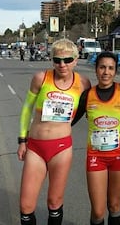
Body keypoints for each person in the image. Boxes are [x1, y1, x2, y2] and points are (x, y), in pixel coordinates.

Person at [17, 38, 91, 225]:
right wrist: (22, 140)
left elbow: (87, 108)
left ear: (76, 59)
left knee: (55, 201)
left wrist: (69, 123)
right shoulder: (41, 78)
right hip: (36, 147)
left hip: (61, 148)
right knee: (26, 206)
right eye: (57, 60)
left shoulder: (83, 83)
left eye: (67, 60)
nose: (62, 64)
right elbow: (27, 109)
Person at [72, 51, 120, 225]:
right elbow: (70, 121)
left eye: (110, 68)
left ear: (115, 71)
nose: (106, 72)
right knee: (98, 211)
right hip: (96, 157)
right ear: (96, 70)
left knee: (114, 205)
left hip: (119, 157)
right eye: (102, 67)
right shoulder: (87, 95)